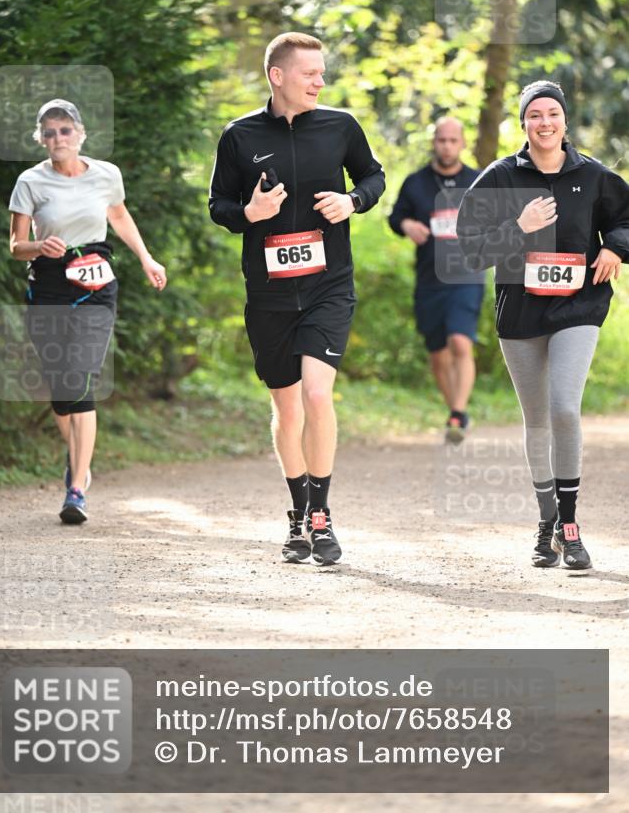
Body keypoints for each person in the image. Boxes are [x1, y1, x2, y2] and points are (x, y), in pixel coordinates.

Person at [209, 32, 385, 566]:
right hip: (268, 294)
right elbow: (219, 205)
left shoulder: (340, 126)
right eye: (310, 72)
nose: (320, 80)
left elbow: (374, 177)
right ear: (277, 75)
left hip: (329, 284)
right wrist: (250, 215)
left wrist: (352, 201)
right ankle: (297, 513)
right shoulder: (239, 135)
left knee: (315, 396)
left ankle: (322, 515)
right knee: (286, 407)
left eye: (322, 72)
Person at [457, 80, 628, 569]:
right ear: (524, 122)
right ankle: (547, 521)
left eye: (553, 113)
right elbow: (469, 248)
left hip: (580, 305)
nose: (545, 122)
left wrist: (615, 247)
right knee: (536, 420)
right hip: (521, 309)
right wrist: (519, 227)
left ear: (565, 121)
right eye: (535, 115)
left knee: (564, 409)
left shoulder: (593, 176)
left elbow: (626, 219)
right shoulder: (499, 177)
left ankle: (570, 526)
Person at [9, 99, 167, 524]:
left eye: (65, 130)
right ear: (41, 138)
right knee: (61, 390)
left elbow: (119, 216)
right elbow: (15, 246)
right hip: (49, 285)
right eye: (49, 132)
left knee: (81, 378)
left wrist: (146, 259)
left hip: (97, 284)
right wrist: (39, 246)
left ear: (80, 134)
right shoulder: (30, 182)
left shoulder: (106, 175)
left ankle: (76, 487)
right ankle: (78, 458)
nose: (58, 139)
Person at [388, 117, 485, 441]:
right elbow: (396, 217)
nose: (446, 146)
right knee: (438, 354)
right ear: (434, 143)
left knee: (460, 341)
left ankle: (456, 416)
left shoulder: (478, 181)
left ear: (462, 143)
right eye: (441, 140)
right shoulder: (416, 183)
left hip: (466, 275)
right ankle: (456, 410)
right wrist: (407, 226)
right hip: (429, 279)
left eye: (452, 140)